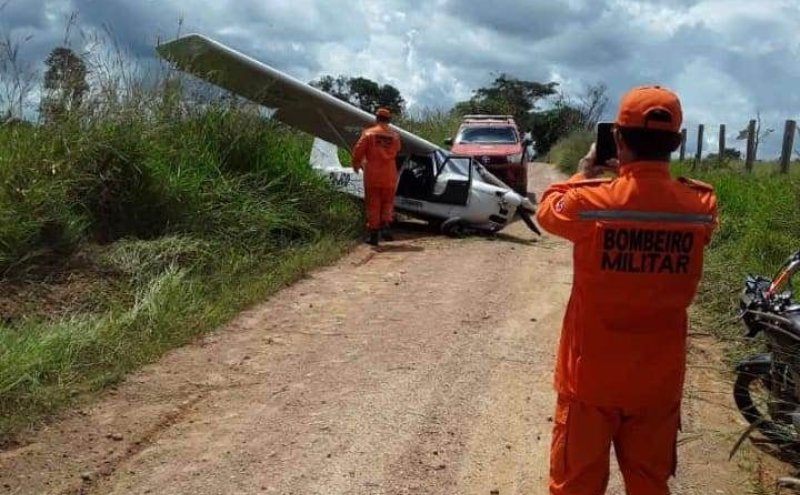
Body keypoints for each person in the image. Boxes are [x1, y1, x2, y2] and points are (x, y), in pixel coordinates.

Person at [536, 86, 718, 495]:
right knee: (649, 484)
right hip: (658, 382)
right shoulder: (701, 206)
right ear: (677, 141)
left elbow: (548, 209)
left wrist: (586, 172)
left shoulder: (590, 202)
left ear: (617, 138)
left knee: (576, 486)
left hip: (590, 381)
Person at [352, 107, 402, 246]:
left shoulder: (368, 134)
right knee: (387, 202)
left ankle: (373, 235)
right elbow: (397, 149)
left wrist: (356, 164)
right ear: (389, 120)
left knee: (373, 204)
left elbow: (358, 150)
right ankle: (386, 224)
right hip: (390, 174)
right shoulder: (395, 136)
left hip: (373, 174)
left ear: (376, 118)